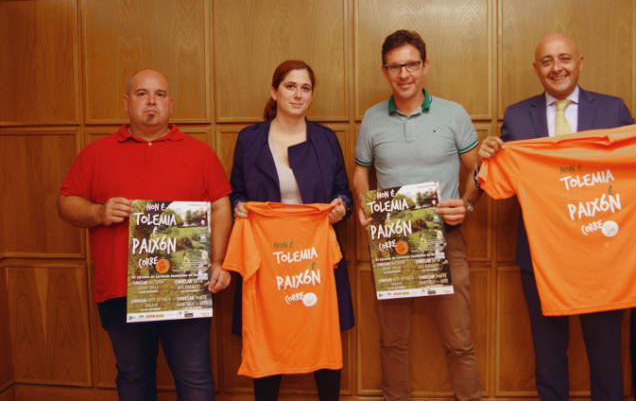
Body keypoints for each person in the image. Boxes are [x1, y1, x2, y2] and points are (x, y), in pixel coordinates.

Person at [477, 33, 636, 401]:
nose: (556, 67)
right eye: (547, 61)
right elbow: (499, 182)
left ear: (580, 62)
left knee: (607, 361)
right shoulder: (517, 115)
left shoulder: (612, 110)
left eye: (564, 58)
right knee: (548, 360)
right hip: (541, 259)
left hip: (604, 258)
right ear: (536, 69)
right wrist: (486, 158)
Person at [58, 68, 233, 400]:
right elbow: (66, 203)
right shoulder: (96, 154)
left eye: (160, 95)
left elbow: (221, 206)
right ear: (126, 103)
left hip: (185, 288)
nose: (151, 101)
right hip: (120, 290)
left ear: (170, 104)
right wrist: (98, 212)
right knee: (133, 376)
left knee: (195, 376)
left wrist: (218, 260)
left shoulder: (200, 153)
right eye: (142, 94)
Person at [353, 30, 483, 401]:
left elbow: (478, 171)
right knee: (392, 342)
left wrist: (468, 204)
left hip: (446, 239)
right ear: (385, 71)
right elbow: (360, 172)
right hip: (392, 243)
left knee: (459, 341)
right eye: (395, 66)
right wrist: (364, 203)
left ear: (425, 66)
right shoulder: (373, 119)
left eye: (411, 64)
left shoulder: (453, 113)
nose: (404, 73)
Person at [228, 60, 352, 400]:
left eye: (305, 88)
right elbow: (236, 190)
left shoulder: (325, 140)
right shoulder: (250, 139)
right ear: (274, 91)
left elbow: (344, 192)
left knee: (323, 331)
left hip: (314, 257)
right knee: (267, 331)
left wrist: (340, 207)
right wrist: (238, 205)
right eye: (290, 86)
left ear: (312, 96)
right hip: (267, 259)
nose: (298, 94)